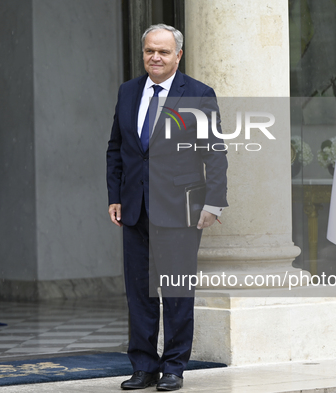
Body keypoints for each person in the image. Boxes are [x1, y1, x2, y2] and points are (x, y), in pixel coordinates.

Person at [106, 24, 228, 391]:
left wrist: (214, 203)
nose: (155, 58)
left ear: (178, 55)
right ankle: (143, 366)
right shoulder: (128, 92)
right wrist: (115, 195)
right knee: (139, 292)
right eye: (149, 51)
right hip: (135, 209)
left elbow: (215, 153)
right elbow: (116, 149)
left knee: (176, 291)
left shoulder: (199, 94)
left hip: (180, 209)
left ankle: (174, 366)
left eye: (162, 52)